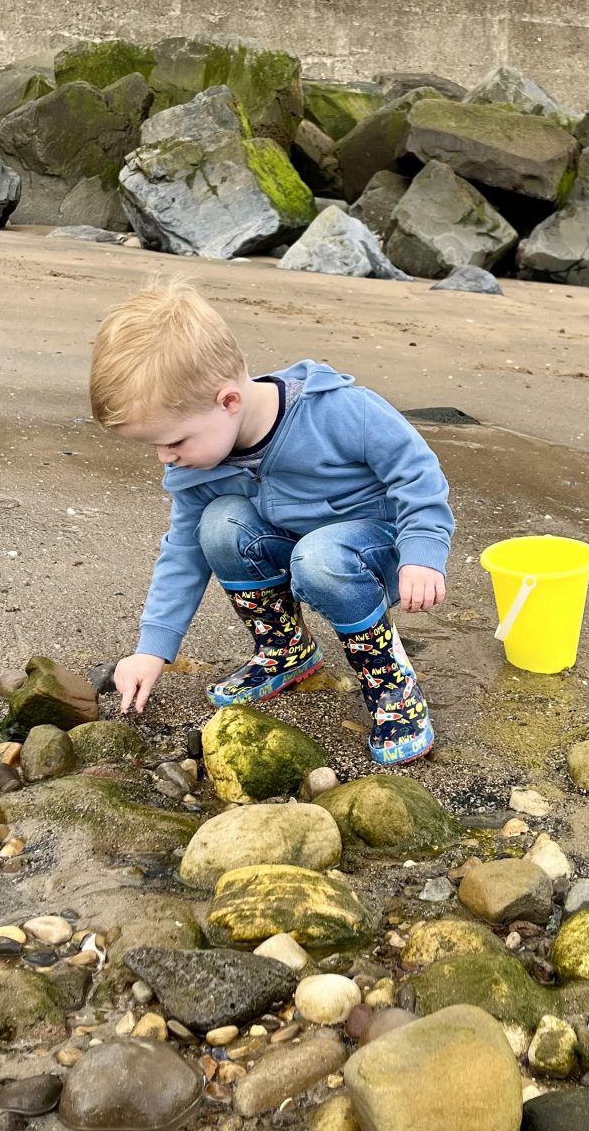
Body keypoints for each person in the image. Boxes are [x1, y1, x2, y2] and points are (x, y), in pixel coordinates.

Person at [89, 280, 452, 767]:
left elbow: (418, 473)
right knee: (218, 524)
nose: (164, 457)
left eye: (175, 441)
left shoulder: (339, 410)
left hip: (376, 552)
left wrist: (423, 555)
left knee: (318, 557)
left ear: (229, 401)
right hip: (300, 548)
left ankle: (390, 683)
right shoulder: (198, 464)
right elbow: (183, 550)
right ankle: (286, 649)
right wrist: (152, 648)